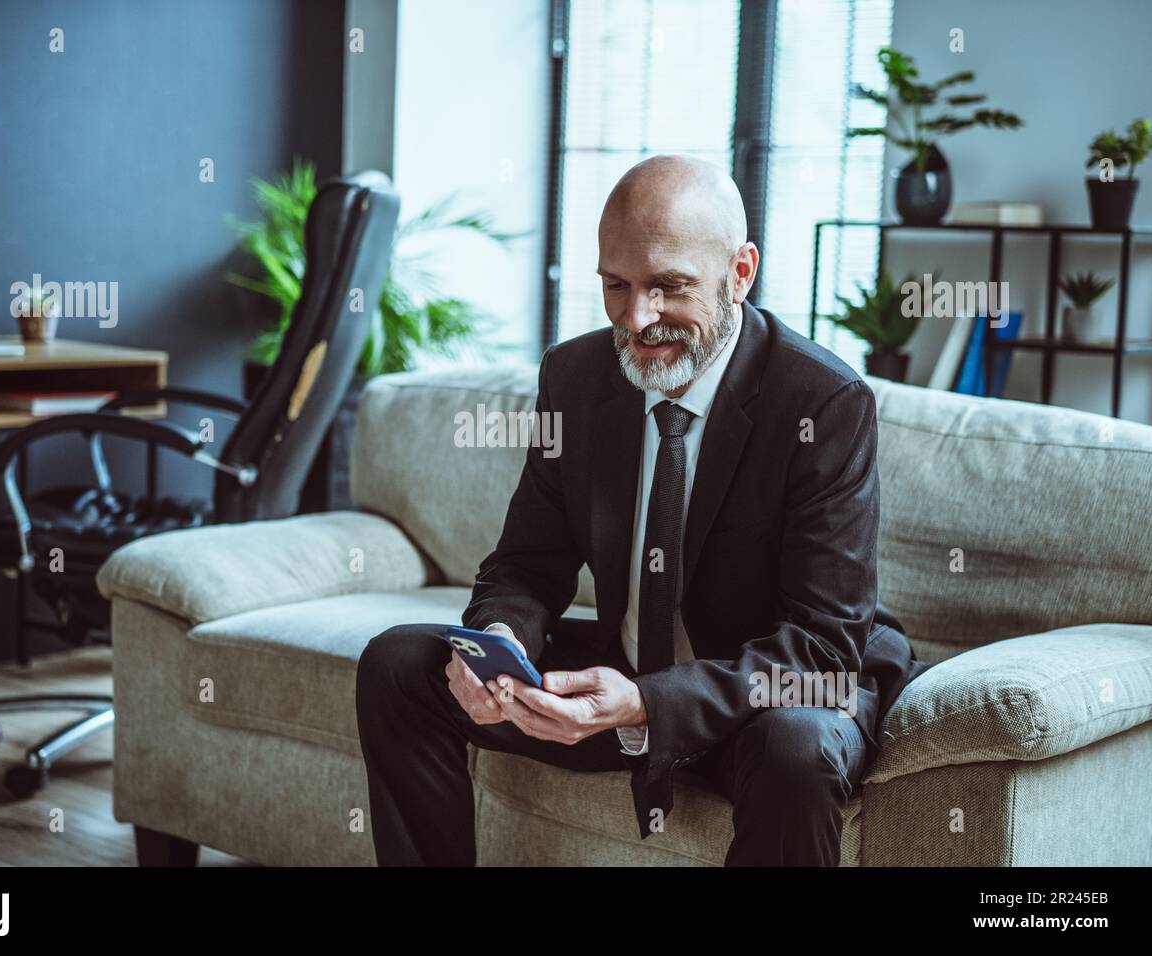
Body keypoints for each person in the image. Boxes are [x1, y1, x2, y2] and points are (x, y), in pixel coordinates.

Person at [355, 154, 931, 866]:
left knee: (798, 747)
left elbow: (820, 647)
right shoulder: (575, 377)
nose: (637, 318)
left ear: (740, 272)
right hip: (624, 667)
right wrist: (497, 649)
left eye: (668, 287)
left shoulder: (821, 402)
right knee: (400, 664)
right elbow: (527, 565)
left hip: (767, 691)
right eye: (616, 286)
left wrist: (646, 703)